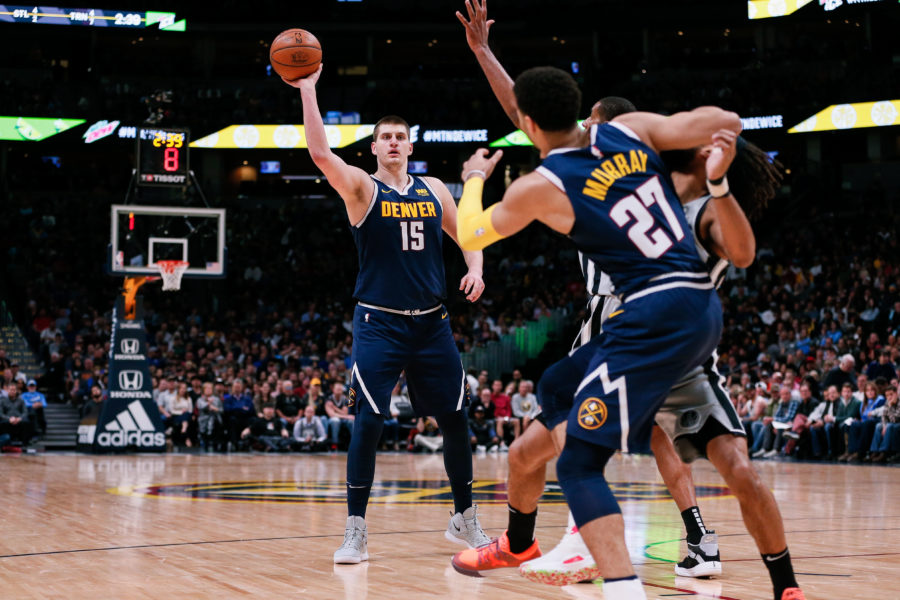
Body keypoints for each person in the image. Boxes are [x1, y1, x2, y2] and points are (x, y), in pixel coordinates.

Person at [453, 6, 803, 600]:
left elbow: (471, 234)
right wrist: (714, 150)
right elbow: (725, 119)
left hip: (644, 318)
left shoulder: (542, 185)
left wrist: (471, 180)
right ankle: (550, 540)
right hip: (685, 313)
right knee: (560, 393)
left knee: (580, 460)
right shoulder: (631, 132)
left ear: (531, 126)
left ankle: (611, 576)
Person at [282, 64, 491, 564]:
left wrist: (476, 268)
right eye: (385, 138)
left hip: (432, 322)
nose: (394, 143)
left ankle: (464, 517)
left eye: (400, 136)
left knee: (456, 417)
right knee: (369, 422)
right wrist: (309, 90)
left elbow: (470, 234)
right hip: (380, 321)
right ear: (373, 147)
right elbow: (318, 153)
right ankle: (355, 529)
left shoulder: (435, 189)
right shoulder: (360, 188)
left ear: (410, 146)